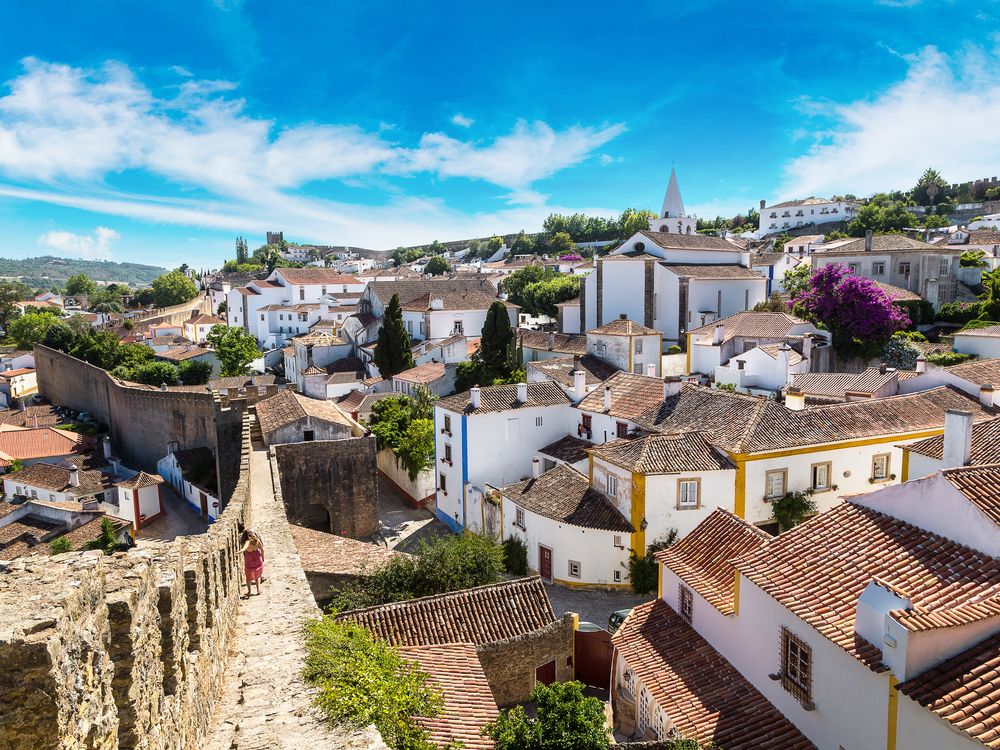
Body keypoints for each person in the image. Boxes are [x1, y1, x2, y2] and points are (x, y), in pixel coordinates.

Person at [240, 529, 264, 597]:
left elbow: (244, 548)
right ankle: (258, 590)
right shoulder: (257, 540)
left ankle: (249, 591)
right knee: (257, 576)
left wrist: (239, 551)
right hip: (257, 559)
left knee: (248, 577)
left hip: (249, 560)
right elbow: (262, 550)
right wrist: (263, 558)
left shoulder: (245, 542)